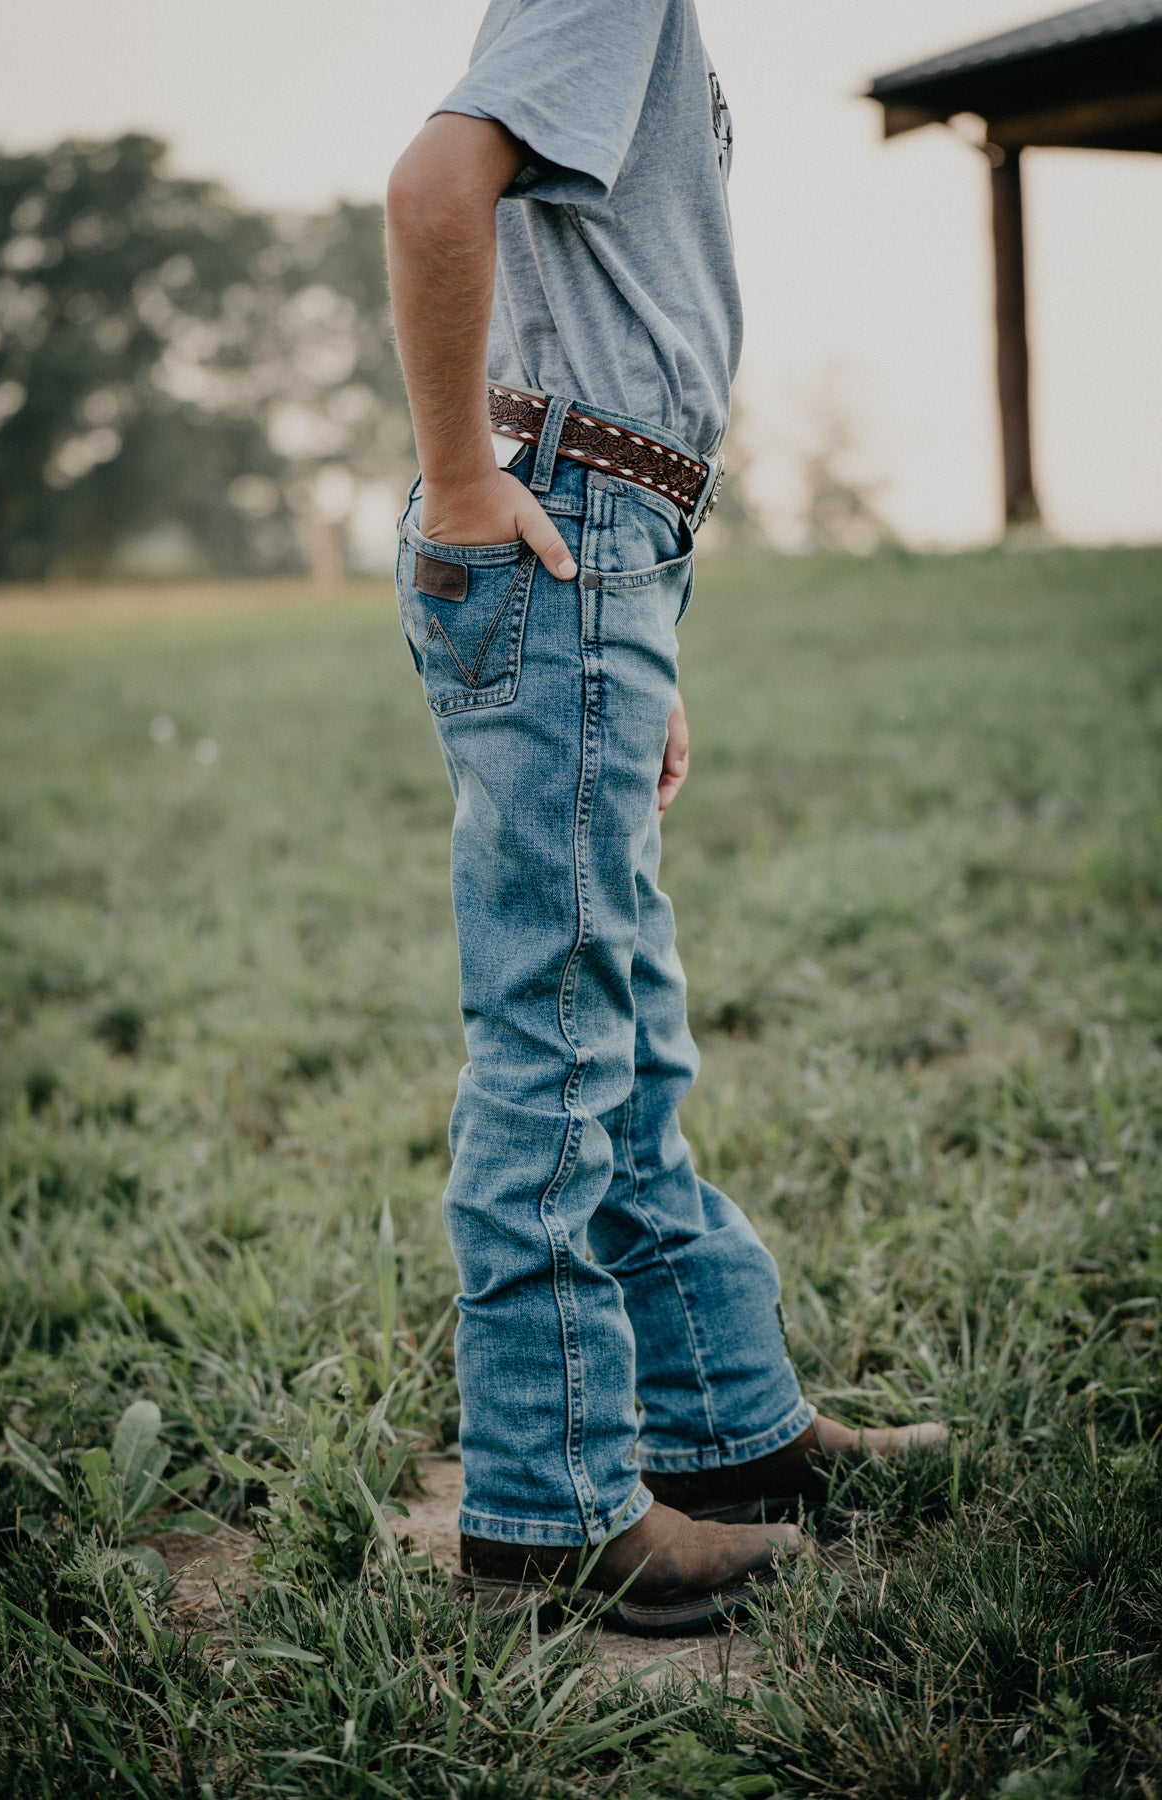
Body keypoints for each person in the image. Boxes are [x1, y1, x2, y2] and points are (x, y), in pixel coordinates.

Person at [386, 0, 945, 1637]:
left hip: (612, 537)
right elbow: (434, 192)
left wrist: (637, 636)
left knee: (619, 1004)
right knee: (559, 1029)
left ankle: (720, 1419)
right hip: (568, 513)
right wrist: (473, 486)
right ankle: (550, 1507)